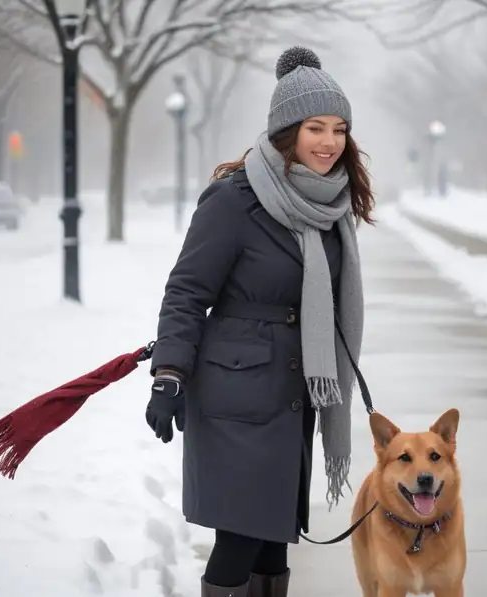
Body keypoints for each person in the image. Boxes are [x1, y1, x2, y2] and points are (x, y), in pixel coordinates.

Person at [144, 46, 375, 597]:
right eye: (315, 128)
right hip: (236, 395)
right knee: (241, 539)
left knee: (274, 538)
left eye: (339, 129)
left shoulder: (330, 208)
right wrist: (168, 374)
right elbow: (187, 290)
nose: (329, 142)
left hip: (292, 396)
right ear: (285, 132)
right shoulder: (233, 200)